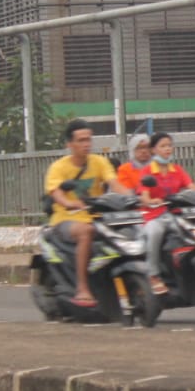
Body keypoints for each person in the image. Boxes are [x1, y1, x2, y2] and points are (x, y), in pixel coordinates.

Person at [45, 119, 128, 308]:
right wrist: (69, 203)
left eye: (89, 139)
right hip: (66, 219)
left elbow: (114, 184)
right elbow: (56, 192)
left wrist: (134, 197)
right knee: (86, 232)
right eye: (81, 140)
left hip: (98, 218)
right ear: (70, 144)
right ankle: (83, 288)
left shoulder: (99, 162)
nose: (86, 144)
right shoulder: (58, 167)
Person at [138, 132, 195, 296]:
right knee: (155, 232)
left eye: (169, 145)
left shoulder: (177, 169)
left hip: (174, 214)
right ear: (153, 150)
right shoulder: (147, 171)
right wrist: (151, 201)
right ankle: (153, 275)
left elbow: (191, 186)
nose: (167, 149)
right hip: (153, 216)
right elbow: (144, 195)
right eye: (163, 146)